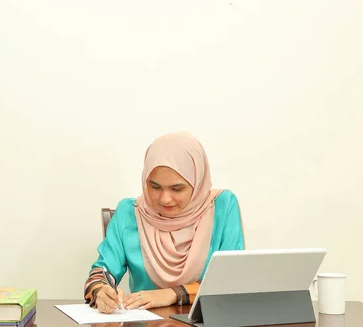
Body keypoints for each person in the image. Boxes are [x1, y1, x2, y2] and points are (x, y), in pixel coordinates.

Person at [84, 131, 245, 314]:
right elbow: (101, 272)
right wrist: (100, 291)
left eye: (177, 189)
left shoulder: (222, 206)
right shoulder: (129, 213)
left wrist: (172, 294)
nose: (165, 199)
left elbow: (230, 280)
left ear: (197, 182)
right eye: (155, 187)